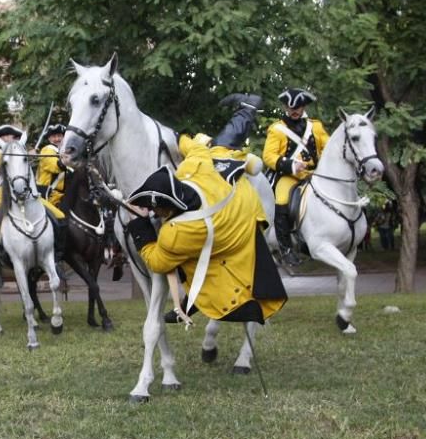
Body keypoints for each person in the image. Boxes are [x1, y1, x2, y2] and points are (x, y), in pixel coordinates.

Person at [125, 95, 287, 324]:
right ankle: (248, 108)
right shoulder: (192, 168)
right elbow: (196, 149)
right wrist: (179, 138)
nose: (155, 214)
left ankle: (193, 301)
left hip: (243, 222)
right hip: (221, 190)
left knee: (195, 260)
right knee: (220, 146)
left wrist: (138, 224)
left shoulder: (177, 233)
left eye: (155, 210)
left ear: (163, 208)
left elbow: (157, 261)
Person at [0, 124, 66, 287]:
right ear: (3, 137)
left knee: (59, 217)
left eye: (17, 138)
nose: (15, 140)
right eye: (13, 137)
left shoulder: (17, 151)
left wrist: (27, 156)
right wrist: (22, 154)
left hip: (26, 195)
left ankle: (56, 259)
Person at [262, 88, 330, 266]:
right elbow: (268, 156)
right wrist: (291, 165)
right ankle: (286, 249)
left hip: (314, 174)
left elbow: (328, 149)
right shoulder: (277, 129)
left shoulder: (316, 126)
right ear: (285, 107)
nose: (294, 111)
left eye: (298, 107)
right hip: (289, 176)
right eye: (290, 107)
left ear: (303, 107)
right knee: (282, 201)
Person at [36, 123, 68, 207]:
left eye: (59, 136)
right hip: (50, 196)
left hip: (64, 195)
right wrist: (67, 161)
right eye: (53, 136)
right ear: (49, 139)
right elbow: (55, 166)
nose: (57, 139)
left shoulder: (64, 151)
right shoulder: (47, 150)